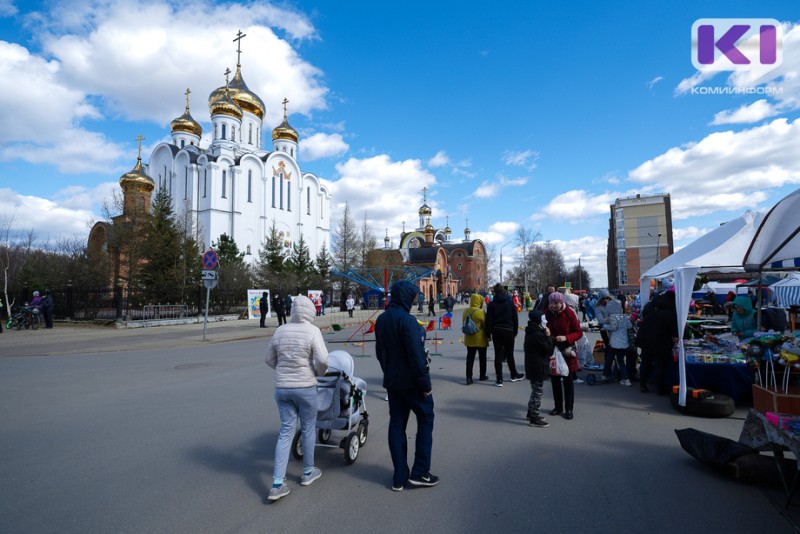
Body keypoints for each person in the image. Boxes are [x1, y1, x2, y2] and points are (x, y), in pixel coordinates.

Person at [375, 280, 438, 491]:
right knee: (426, 418)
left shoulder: (382, 320)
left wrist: (388, 372)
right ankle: (420, 472)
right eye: (412, 298)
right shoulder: (408, 322)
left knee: (397, 424)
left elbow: (380, 353)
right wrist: (425, 384)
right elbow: (416, 357)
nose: (413, 302)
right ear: (406, 298)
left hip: (393, 382)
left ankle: (399, 476)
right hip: (413, 384)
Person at [264, 295, 329, 502]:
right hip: (305, 387)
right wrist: (317, 373)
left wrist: (284, 372)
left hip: (282, 388)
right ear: (311, 311)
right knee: (309, 428)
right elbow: (323, 360)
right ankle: (308, 472)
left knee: (285, 432)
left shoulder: (280, 330)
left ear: (292, 311)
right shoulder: (312, 331)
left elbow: (268, 358)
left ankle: (277, 484)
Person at [544, 292, 582, 420]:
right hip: (553, 350)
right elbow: (543, 327)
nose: (553, 305)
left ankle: (569, 409)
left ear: (562, 303)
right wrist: (547, 334)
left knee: (568, 381)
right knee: (555, 380)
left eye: (556, 303)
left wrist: (566, 337)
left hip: (567, 350)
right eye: (551, 303)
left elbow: (578, 333)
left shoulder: (569, 313)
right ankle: (558, 406)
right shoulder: (547, 313)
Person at [636, 291, 677, 394]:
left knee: (646, 362)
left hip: (646, 340)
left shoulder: (651, 310)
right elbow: (674, 331)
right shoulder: (670, 314)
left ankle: (643, 384)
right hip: (660, 342)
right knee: (660, 364)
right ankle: (660, 387)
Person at [486, 283, 524, 386]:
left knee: (498, 355)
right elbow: (515, 317)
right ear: (503, 291)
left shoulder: (492, 304)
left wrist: (488, 334)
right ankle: (513, 374)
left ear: (495, 292)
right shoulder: (510, 303)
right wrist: (515, 331)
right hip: (509, 331)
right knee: (509, 354)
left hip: (497, 331)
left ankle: (499, 380)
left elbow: (488, 320)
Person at [524, 310, 555, 428]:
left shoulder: (533, 331)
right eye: (544, 319)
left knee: (535, 390)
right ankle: (534, 417)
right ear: (538, 321)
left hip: (533, 365)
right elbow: (548, 349)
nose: (546, 321)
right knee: (537, 392)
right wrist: (548, 336)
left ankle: (530, 412)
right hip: (538, 366)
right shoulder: (538, 334)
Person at [601, 297, 634, 387]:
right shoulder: (624, 316)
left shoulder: (612, 317)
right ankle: (626, 379)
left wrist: (605, 326)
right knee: (621, 360)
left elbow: (614, 327)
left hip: (614, 342)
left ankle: (605, 375)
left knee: (609, 359)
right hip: (624, 342)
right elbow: (630, 326)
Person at [463, 293, 489, 384]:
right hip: (480, 338)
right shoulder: (481, 312)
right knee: (482, 358)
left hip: (469, 338)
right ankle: (482, 375)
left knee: (470, 358)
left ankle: (469, 377)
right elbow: (485, 325)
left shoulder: (465, 311)